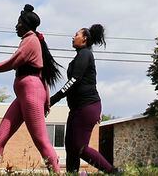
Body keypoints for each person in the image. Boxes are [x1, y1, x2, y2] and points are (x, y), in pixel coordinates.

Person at [0, 3, 63, 174]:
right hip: (24, 96)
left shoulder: (30, 40)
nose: (15, 26)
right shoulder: (31, 40)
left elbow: (11, 64)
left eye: (18, 22)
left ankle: (57, 172)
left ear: (25, 23)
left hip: (31, 94)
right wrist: (46, 99)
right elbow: (44, 74)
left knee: (41, 141)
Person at [49, 23, 117, 174]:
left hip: (87, 106)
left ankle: (113, 172)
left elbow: (75, 80)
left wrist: (53, 99)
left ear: (84, 39)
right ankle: (72, 173)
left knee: (80, 147)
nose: (73, 37)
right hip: (77, 109)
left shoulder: (85, 54)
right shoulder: (79, 56)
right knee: (71, 147)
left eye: (76, 35)